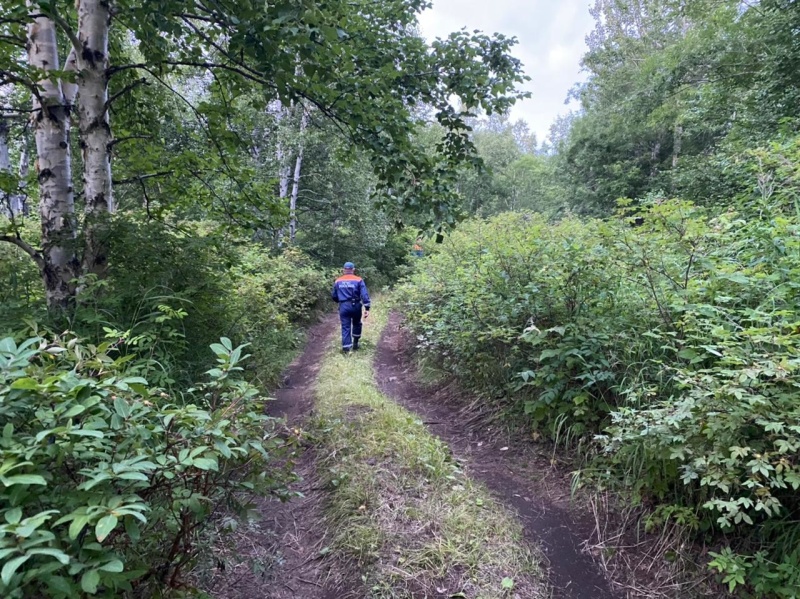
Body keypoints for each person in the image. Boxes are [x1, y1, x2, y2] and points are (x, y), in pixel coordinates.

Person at [331, 262, 371, 353]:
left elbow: (333, 295)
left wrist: (340, 301)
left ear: (344, 269)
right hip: (356, 305)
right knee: (357, 323)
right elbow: (364, 295)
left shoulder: (338, 281)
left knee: (345, 326)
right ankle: (356, 343)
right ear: (353, 270)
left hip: (343, 306)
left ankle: (346, 349)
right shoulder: (359, 280)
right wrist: (367, 307)